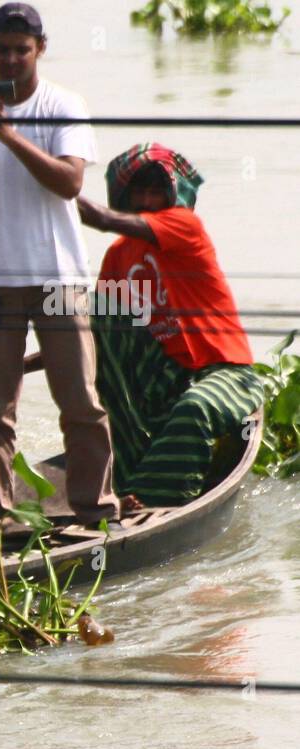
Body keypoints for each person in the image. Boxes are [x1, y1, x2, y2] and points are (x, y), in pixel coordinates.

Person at [0, 2, 119, 537]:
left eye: (21, 50)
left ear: (40, 50)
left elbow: (69, 183)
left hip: (58, 276)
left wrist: (6, 132)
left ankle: (94, 511)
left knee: (79, 399)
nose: (10, 60)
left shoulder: (63, 104)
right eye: (1, 50)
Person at [77, 144, 264, 510]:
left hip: (225, 372)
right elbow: (92, 331)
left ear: (173, 195)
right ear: (127, 196)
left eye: (156, 192)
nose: (148, 200)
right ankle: (125, 480)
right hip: (167, 379)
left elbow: (101, 219)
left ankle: (151, 498)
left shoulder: (184, 226)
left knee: (194, 408)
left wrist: (53, 187)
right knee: (96, 314)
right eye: (139, 192)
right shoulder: (118, 255)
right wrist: (28, 363)